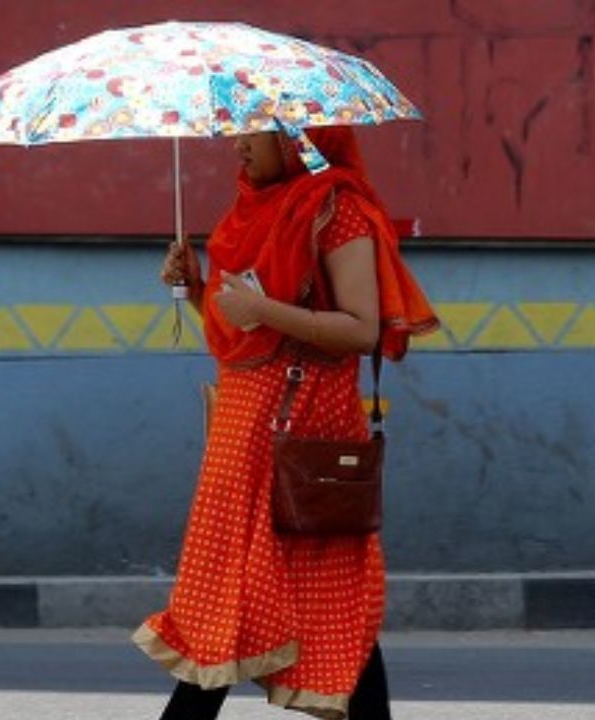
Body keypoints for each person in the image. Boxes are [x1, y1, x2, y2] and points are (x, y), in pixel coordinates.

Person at [136, 125, 439, 720]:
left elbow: (361, 328)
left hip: (305, 431)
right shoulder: (254, 211)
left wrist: (262, 308)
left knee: (315, 588)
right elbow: (250, 338)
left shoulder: (337, 209)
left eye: (253, 134)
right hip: (243, 430)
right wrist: (198, 288)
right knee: (237, 587)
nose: (238, 147)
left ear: (298, 139)